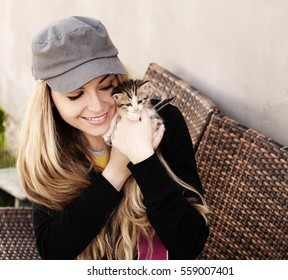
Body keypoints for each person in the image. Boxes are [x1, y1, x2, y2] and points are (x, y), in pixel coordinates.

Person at [17, 16, 209, 260]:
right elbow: (53, 250)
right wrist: (117, 171)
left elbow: (189, 245)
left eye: (106, 86)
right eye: (76, 96)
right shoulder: (48, 148)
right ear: (50, 100)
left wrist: (143, 159)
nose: (97, 107)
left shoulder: (163, 122)